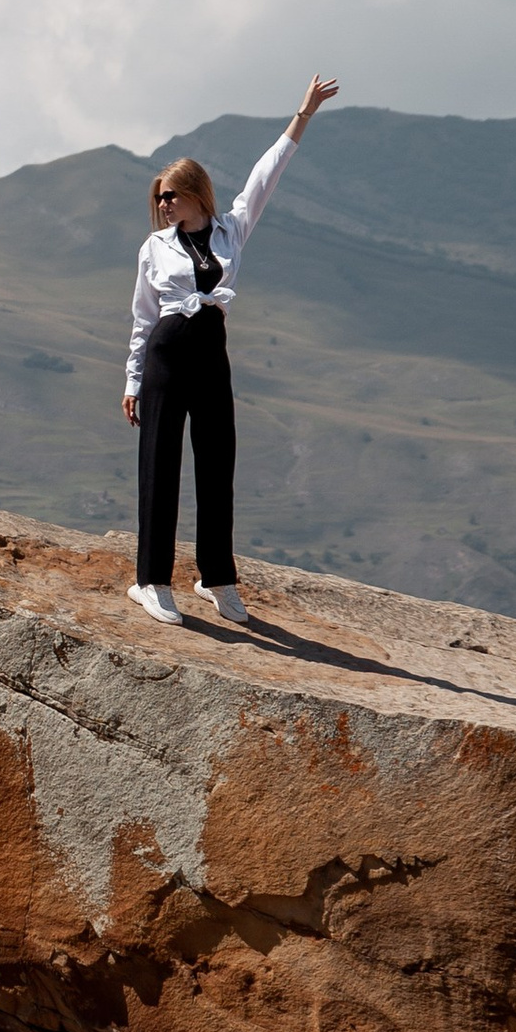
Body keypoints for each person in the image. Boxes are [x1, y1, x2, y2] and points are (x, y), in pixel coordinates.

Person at [123, 75, 338, 624]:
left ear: (195, 191)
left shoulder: (230, 230)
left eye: (171, 193)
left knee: (218, 463)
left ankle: (216, 577)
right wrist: (131, 381)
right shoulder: (155, 247)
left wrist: (303, 114)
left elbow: (266, 175)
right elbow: (144, 317)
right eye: (159, 197)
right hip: (167, 355)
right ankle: (150, 580)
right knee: (160, 464)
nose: (164, 203)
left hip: (211, 353)